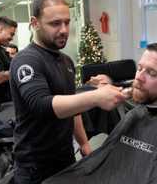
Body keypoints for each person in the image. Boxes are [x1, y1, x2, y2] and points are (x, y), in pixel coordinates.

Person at [10, 0, 126, 184]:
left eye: (66, 22)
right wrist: (96, 97)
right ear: (35, 23)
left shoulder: (66, 61)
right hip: (34, 165)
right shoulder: (26, 61)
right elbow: (42, 105)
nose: (64, 29)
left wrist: (84, 143)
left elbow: (73, 109)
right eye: (55, 23)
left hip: (65, 157)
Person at [43, 43, 157, 184]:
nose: (139, 77)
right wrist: (110, 87)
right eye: (139, 68)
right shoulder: (139, 111)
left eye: (152, 73)